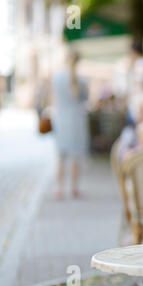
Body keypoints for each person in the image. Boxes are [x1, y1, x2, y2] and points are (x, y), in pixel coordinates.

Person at [51, 49, 89, 199]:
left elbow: (53, 98)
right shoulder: (81, 81)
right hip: (76, 120)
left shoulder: (56, 78)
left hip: (60, 119)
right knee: (75, 156)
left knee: (60, 156)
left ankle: (59, 188)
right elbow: (85, 99)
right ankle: (74, 188)